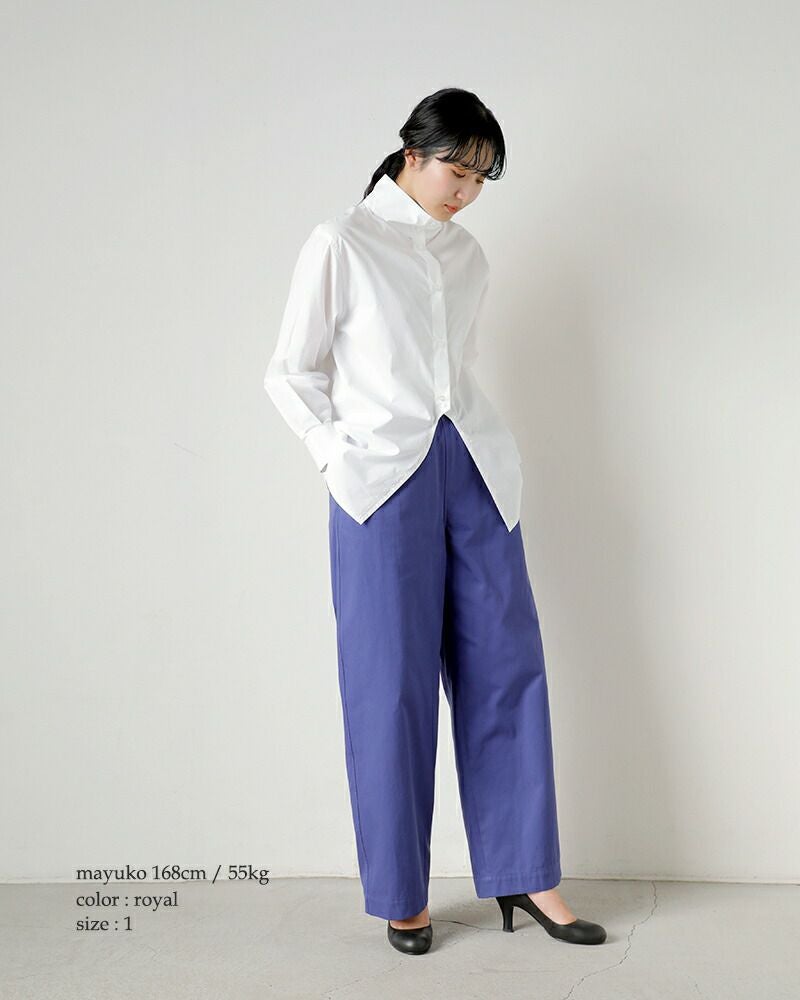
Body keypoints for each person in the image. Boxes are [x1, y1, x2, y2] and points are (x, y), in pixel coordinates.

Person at [264, 87, 607, 956]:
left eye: (482, 178)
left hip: (475, 468)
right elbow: (290, 372)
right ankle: (401, 894)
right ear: (412, 153)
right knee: (390, 687)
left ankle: (527, 873)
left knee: (508, 669)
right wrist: (338, 457)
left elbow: (456, 370)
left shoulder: (468, 256)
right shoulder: (341, 241)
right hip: (381, 479)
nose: (467, 190)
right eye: (458, 169)